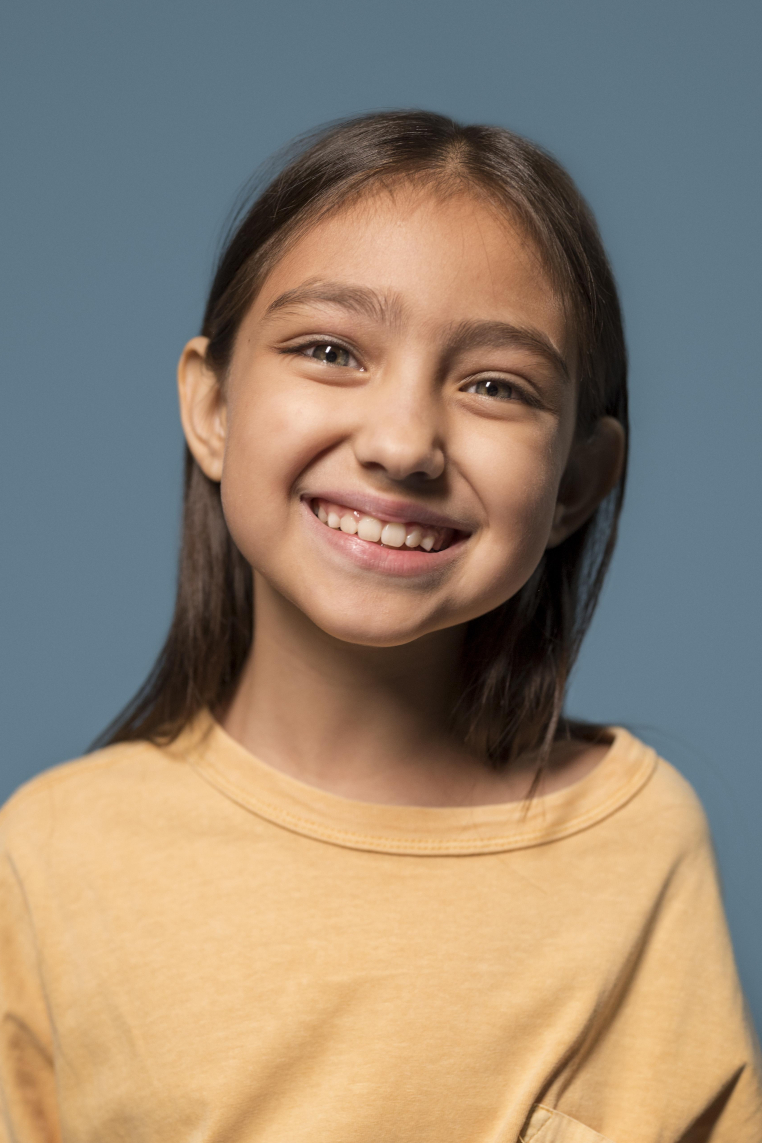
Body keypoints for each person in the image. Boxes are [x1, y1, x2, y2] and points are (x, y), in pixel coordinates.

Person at [0, 110, 759, 1143]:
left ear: (579, 481)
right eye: (330, 350)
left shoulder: (638, 841)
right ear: (213, 409)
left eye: (496, 385)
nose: (404, 443)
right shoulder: (49, 857)